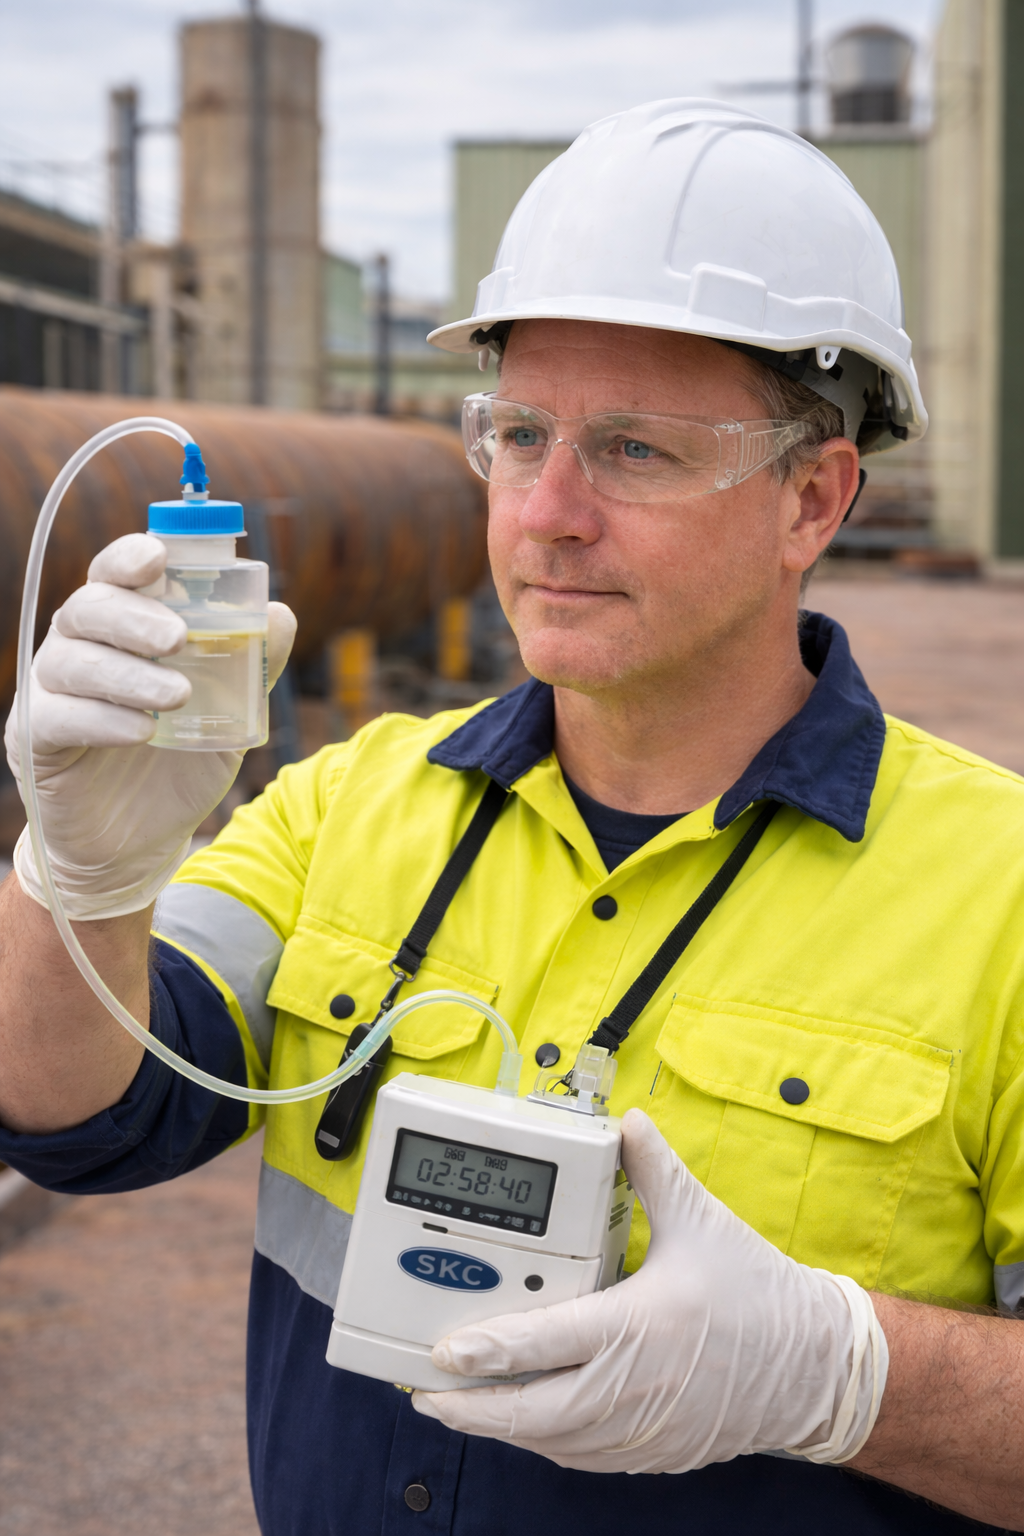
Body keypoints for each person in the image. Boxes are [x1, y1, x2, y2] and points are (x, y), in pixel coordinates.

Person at [1, 100, 1022, 1535]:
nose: (547, 513)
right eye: (521, 432)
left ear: (814, 497)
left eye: (636, 452)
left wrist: (845, 1377)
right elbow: (81, 1120)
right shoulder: (347, 806)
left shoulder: (1001, 900)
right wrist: (74, 871)